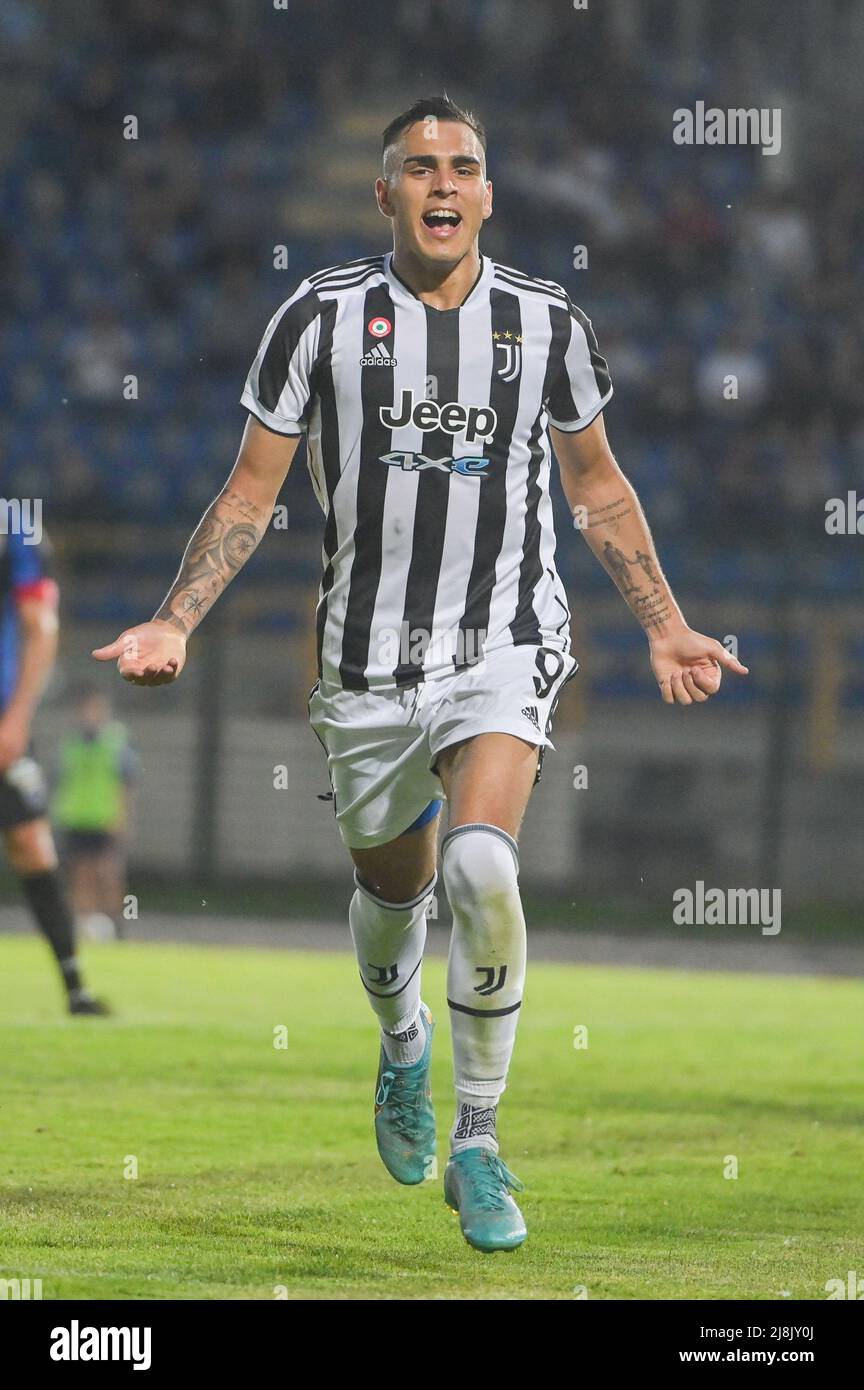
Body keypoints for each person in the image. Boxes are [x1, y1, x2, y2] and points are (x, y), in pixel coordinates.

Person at [93, 96, 747, 1251]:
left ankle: (481, 1141)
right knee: (395, 896)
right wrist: (174, 618)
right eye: (419, 168)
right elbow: (249, 493)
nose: (444, 185)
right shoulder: (320, 320)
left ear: (490, 194)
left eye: (465, 167)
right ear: (382, 193)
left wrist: (666, 622)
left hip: (505, 642)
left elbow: (596, 486)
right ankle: (404, 1048)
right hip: (365, 669)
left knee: (483, 865)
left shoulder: (546, 324)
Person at [0, 523, 109, 1015]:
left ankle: (74, 987)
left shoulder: (15, 531)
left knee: (30, 845)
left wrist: (17, 719)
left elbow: (40, 625)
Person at [53, 685, 137, 941]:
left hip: (105, 818)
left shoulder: (116, 743)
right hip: (77, 817)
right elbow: (63, 781)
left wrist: (123, 818)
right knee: (81, 874)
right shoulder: (71, 744)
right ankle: (84, 923)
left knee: (108, 873)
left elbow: (126, 785)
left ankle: (118, 922)